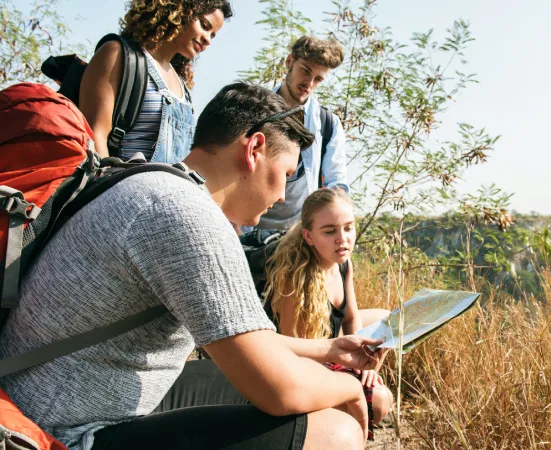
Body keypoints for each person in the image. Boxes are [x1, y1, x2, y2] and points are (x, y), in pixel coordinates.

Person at [0, 82, 382, 450]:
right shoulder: (188, 216)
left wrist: (328, 349)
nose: (283, 195)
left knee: (299, 386)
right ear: (255, 148)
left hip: (49, 394)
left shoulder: (150, 180)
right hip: (60, 431)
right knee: (334, 432)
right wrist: (350, 386)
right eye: (285, 174)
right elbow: (281, 390)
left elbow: (247, 340)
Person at [265, 188, 393, 430]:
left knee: (388, 320)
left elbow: (351, 319)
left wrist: (362, 363)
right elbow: (293, 353)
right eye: (330, 231)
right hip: (306, 359)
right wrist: (344, 377)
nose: (342, 238)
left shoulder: (342, 264)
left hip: (332, 345)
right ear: (309, 236)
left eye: (348, 227)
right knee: (379, 400)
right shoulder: (297, 277)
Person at [79, 0, 232, 162]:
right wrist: (111, 183)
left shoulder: (183, 88)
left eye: (212, 35)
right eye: (204, 26)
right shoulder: (118, 55)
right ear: (181, 12)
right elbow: (95, 135)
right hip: (119, 184)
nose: (207, 39)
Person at [252, 36, 350, 231]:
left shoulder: (328, 123)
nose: (309, 83)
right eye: (305, 71)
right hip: (249, 234)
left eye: (319, 79)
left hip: (299, 237)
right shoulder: (254, 110)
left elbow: (337, 184)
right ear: (289, 61)